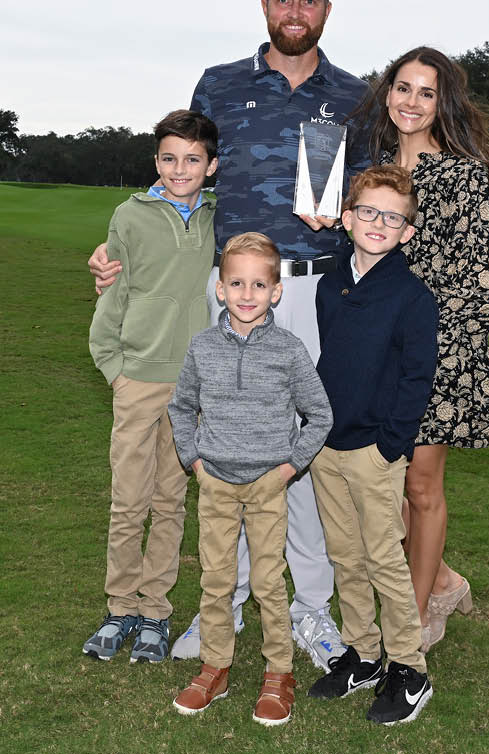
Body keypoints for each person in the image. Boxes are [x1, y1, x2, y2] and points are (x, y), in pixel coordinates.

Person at [89, 0, 370, 668]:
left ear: (326, 12)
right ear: (266, 7)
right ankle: (229, 601)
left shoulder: (354, 94)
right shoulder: (220, 83)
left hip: (313, 291)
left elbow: (373, 195)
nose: (296, 11)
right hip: (234, 292)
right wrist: (124, 245)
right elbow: (183, 177)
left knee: (301, 451)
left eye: (310, 1)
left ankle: (309, 608)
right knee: (230, 447)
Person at [355, 45, 489, 652]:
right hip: (375, 354)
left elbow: (486, 284)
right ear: (386, 94)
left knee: (420, 488)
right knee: (379, 490)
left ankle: (413, 617)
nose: (411, 102)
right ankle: (443, 580)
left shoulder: (462, 176)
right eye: (402, 88)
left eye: (426, 92)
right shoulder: (372, 175)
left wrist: (431, 349)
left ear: (441, 103)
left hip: (435, 358)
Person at [167, 233, 333, 726]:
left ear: (276, 292)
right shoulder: (202, 347)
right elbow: (180, 407)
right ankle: (215, 666)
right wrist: (194, 460)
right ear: (219, 287)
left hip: (267, 485)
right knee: (217, 581)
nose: (246, 294)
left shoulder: (288, 349)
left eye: (258, 284)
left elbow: (319, 415)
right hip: (215, 482)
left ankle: (278, 673)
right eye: (235, 282)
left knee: (267, 584)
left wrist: (288, 467)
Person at [82, 110, 220, 664]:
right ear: (155, 162)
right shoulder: (130, 215)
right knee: (128, 501)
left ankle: (155, 614)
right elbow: (112, 290)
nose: (179, 169)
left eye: (192, 159)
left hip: (192, 390)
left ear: (212, 166)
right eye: (168, 158)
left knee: (170, 502)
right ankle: (119, 610)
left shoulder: (219, 217)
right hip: (138, 379)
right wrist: (115, 368)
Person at [308, 165, 438, 724]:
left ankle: (409, 670)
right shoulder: (329, 281)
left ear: (407, 231)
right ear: (347, 218)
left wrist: (391, 446)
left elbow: (416, 378)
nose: (378, 223)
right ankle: (362, 653)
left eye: (393, 216)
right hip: (327, 446)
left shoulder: (412, 296)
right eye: (368, 212)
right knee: (344, 553)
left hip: (374, 451)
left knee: (384, 557)